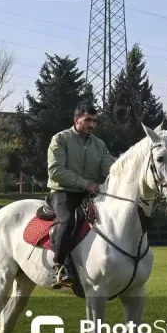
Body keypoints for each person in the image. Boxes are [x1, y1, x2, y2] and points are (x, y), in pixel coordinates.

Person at [46, 102, 115, 289]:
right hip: (62, 193)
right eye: (88, 120)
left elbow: (110, 167)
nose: (92, 124)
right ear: (76, 120)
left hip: (89, 194)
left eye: (95, 121)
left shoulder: (99, 145)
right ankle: (59, 268)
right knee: (68, 220)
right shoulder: (60, 139)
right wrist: (86, 184)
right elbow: (56, 171)